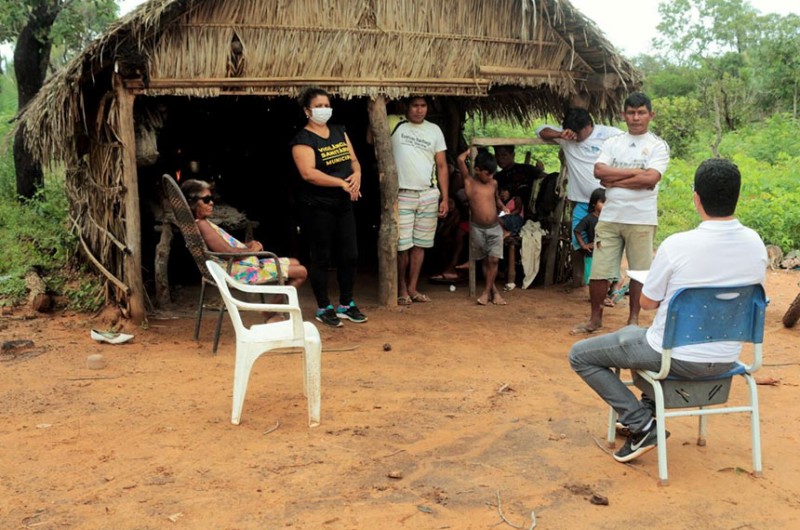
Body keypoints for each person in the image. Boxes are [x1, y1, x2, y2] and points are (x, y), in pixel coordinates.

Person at [569, 157, 767, 463]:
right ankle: (648, 410)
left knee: (581, 355)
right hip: (728, 357)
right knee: (633, 335)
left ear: (696, 197)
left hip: (674, 357)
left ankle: (641, 422)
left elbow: (647, 303)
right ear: (737, 196)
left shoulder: (677, 245)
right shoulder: (756, 244)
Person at [572, 92, 670, 335]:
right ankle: (595, 319)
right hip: (610, 217)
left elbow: (652, 178)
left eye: (641, 112)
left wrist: (615, 181)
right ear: (624, 114)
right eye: (631, 112)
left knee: (638, 271)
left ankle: (633, 319)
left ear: (651, 115)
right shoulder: (613, 143)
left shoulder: (658, 145)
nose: (635, 117)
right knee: (599, 270)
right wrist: (636, 174)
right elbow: (598, 171)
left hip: (642, 218)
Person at [290, 86, 367, 328]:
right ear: (307, 111)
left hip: (343, 205)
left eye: (326, 105)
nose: (324, 110)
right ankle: (324, 307)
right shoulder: (302, 140)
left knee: (350, 254)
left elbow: (353, 160)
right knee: (321, 257)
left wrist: (357, 176)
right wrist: (341, 184)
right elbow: (308, 173)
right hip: (317, 206)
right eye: (318, 106)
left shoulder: (339, 131)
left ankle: (346, 304)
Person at [180, 179, 308, 321]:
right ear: (192, 202)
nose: (211, 202)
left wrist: (247, 246)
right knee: (301, 272)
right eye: (206, 199)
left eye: (212, 198)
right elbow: (228, 254)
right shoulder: (202, 225)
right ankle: (270, 311)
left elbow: (226, 248)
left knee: (294, 262)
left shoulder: (203, 223)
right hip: (235, 272)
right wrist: (253, 250)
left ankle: (270, 310)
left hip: (239, 265)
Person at [537, 108, 623, 287]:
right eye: (572, 132)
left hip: (607, 202)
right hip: (582, 203)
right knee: (578, 241)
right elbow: (541, 130)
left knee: (608, 242)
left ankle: (612, 283)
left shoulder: (609, 135)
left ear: (589, 125)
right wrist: (561, 134)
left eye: (579, 132)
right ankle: (579, 281)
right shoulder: (566, 138)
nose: (575, 136)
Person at [389, 96, 449, 305]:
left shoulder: (434, 130)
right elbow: (371, 138)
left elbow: (441, 165)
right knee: (402, 245)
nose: (419, 110)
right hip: (402, 193)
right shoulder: (393, 122)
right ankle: (402, 288)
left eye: (423, 106)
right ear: (406, 106)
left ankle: (413, 288)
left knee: (419, 245)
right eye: (415, 105)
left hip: (428, 193)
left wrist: (445, 197)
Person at [456, 149, 506, 306]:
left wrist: (503, 206)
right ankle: (494, 292)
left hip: (494, 227)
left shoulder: (494, 183)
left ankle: (486, 292)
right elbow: (460, 159)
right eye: (487, 173)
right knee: (486, 261)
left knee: (494, 260)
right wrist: (471, 150)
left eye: (492, 174)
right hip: (478, 228)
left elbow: (496, 199)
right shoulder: (469, 182)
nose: (490, 177)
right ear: (477, 170)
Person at [493, 145, 543, 218]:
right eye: (497, 155)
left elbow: (545, 177)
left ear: (513, 155)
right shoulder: (496, 177)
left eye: (504, 155)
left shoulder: (526, 169)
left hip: (528, 214)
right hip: (506, 214)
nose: (500, 159)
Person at [573, 187, 605, 286]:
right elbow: (577, 230)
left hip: (605, 253)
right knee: (592, 278)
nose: (605, 205)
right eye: (602, 202)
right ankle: (594, 297)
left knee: (605, 276)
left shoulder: (608, 219)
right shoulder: (589, 218)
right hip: (592, 254)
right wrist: (584, 245)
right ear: (594, 204)